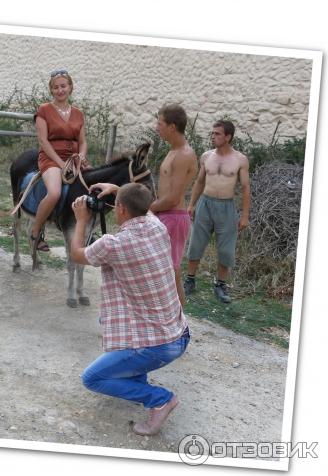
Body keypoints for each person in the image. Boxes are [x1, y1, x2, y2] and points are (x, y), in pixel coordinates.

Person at [70, 182, 190, 436]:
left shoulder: (112, 244)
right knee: (131, 327)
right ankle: (136, 379)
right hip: (179, 335)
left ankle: (160, 399)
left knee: (92, 378)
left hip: (158, 347)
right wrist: (118, 190)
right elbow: (142, 208)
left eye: (117, 205)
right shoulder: (158, 226)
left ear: (122, 209)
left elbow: (78, 254)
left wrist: (81, 219)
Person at [184, 120, 251, 303]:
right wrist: (191, 205)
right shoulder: (207, 156)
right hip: (205, 204)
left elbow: (245, 187)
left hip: (227, 207)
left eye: (218, 134)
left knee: (226, 249)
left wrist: (244, 215)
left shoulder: (240, 159)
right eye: (212, 133)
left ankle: (220, 285)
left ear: (228, 137)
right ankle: (190, 280)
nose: (213, 137)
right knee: (196, 243)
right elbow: (199, 181)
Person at [30, 69, 88, 252]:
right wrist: (61, 164)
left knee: (92, 187)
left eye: (63, 86)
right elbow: (43, 141)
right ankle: (36, 233)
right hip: (51, 157)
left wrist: (82, 156)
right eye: (56, 87)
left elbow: (83, 142)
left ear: (70, 87)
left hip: (74, 159)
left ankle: (87, 230)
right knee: (54, 193)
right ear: (51, 90)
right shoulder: (44, 110)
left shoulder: (78, 113)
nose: (60, 90)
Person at [149, 104, 198, 308]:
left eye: (160, 123)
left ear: (172, 126)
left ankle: (179, 320)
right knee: (160, 268)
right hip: (165, 214)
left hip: (174, 216)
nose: (156, 127)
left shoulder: (184, 155)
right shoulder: (173, 151)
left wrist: (148, 209)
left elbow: (173, 197)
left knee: (172, 270)